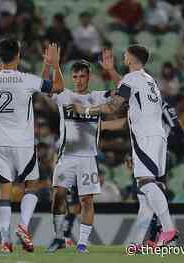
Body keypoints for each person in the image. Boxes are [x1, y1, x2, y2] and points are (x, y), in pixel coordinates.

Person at [71, 45, 178, 249]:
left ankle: (169, 231)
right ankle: (137, 242)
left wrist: (85, 111)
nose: (123, 56)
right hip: (158, 137)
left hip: (145, 137)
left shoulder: (133, 80)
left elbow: (113, 105)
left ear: (132, 58)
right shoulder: (148, 80)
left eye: (126, 54)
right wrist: (110, 71)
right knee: (144, 194)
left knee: (146, 183)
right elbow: (125, 87)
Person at [0, 37, 64, 253]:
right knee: (32, 185)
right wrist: (53, 64)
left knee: (4, 193)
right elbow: (57, 87)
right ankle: (23, 226)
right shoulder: (26, 79)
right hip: (23, 144)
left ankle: (5, 241)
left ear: (0, 57)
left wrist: (7, 58)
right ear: (19, 55)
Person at [45, 60, 112, 253]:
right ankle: (58, 238)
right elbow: (45, 86)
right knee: (58, 195)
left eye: (82, 76)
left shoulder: (97, 97)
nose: (79, 80)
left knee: (86, 201)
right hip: (66, 157)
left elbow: (120, 96)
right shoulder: (64, 95)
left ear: (89, 77)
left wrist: (110, 71)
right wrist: (52, 65)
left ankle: (82, 243)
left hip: (88, 158)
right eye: (75, 77)